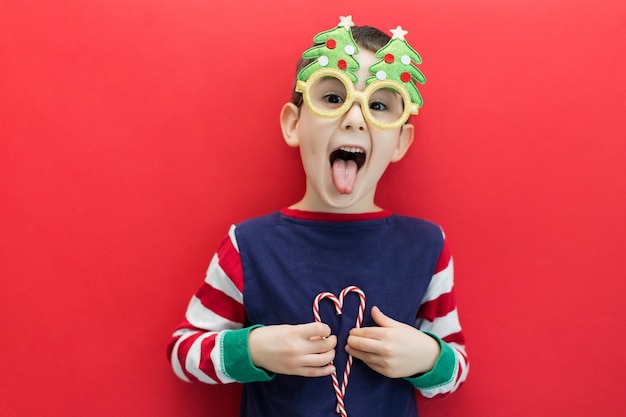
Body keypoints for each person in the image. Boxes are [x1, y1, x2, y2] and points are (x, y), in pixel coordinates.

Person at [167, 15, 469, 417]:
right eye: (332, 98)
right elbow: (182, 351)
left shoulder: (427, 246)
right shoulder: (249, 246)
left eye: (379, 105)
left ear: (400, 141)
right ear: (294, 125)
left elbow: (457, 367)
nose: (355, 118)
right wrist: (253, 349)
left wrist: (430, 357)